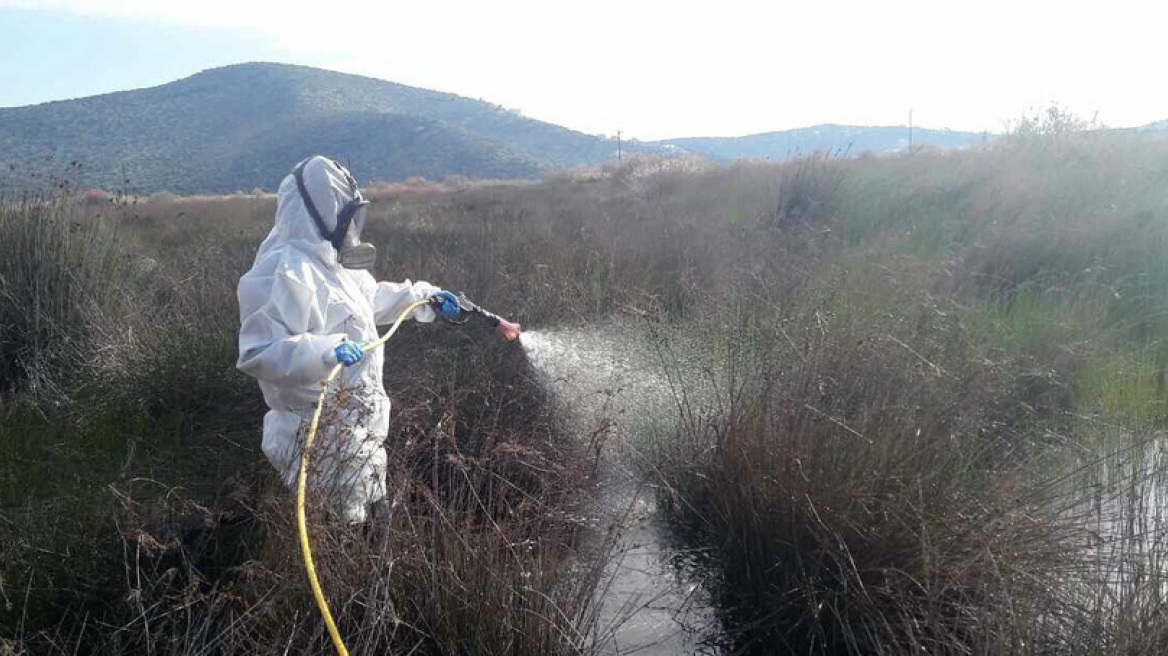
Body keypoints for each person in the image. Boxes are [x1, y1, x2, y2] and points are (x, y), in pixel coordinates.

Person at [236, 156, 460, 525]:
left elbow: (370, 302)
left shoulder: (334, 265)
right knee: (334, 539)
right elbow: (259, 352)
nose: (351, 224)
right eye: (345, 213)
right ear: (321, 211)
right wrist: (324, 351)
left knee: (372, 533)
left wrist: (424, 297)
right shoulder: (282, 269)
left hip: (361, 436)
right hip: (313, 442)